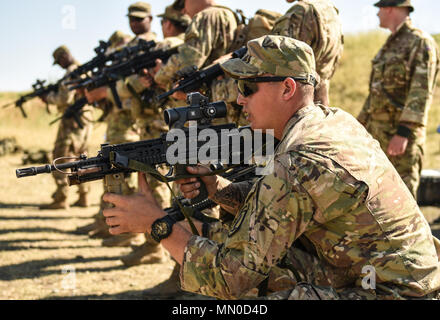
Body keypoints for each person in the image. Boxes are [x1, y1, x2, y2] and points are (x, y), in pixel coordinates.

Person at [102, 35, 440, 300]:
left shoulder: (297, 161)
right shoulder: (334, 121)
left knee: (252, 295)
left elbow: (227, 278)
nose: (238, 99)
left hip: (396, 293)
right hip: (398, 276)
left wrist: (157, 224)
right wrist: (220, 189)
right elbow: (288, 203)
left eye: (248, 88)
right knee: (262, 264)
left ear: (288, 88)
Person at [357, 0, 440, 200]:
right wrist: (358, 126)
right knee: (380, 201)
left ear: (389, 8)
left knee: (403, 199)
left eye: (379, 10)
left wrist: (403, 132)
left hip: (401, 139)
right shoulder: (390, 45)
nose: (377, 15)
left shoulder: (419, 42)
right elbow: (376, 92)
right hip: (378, 136)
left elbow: (420, 92)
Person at [39, 46, 93, 210]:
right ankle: (84, 195)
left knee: (61, 156)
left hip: (72, 120)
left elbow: (64, 98)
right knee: (81, 156)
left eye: (60, 61)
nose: (60, 65)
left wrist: (47, 98)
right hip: (86, 119)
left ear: (64, 56)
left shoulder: (71, 72)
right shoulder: (84, 69)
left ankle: (61, 197)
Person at [271, 0, 344, 106]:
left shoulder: (301, 11)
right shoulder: (331, 11)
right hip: (319, 105)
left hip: (293, 107)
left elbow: (279, 65)